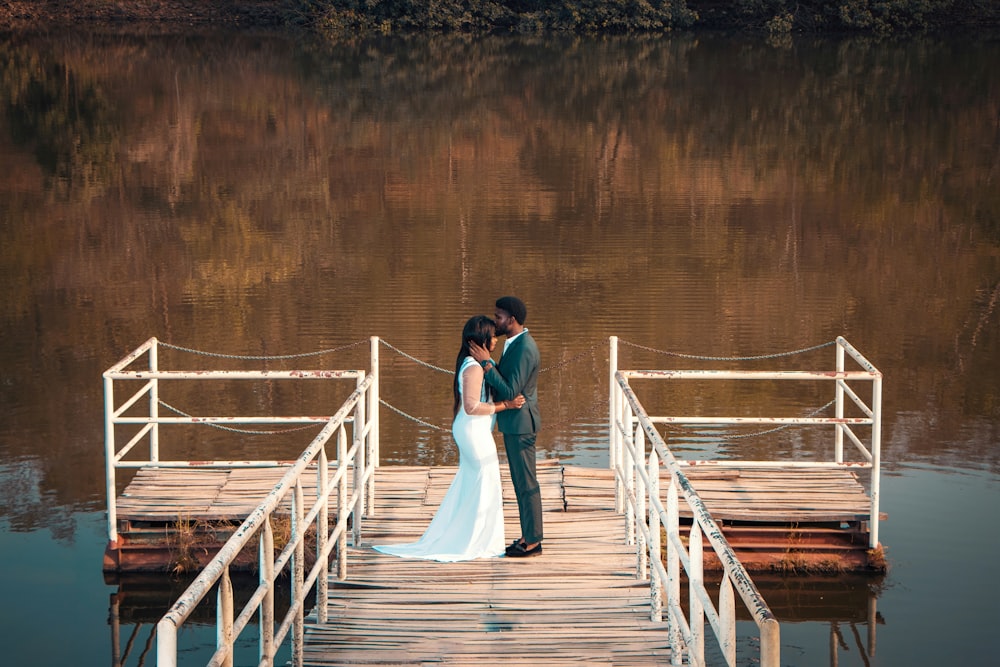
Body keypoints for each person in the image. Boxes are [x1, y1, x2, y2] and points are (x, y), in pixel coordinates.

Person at [373, 315, 525, 562]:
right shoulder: (474, 367)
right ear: (482, 339)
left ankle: (474, 536)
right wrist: (505, 405)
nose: (496, 340)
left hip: (475, 431)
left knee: (476, 483)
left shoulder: (475, 363)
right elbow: (471, 406)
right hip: (473, 431)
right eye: (492, 335)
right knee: (484, 481)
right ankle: (475, 540)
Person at [469, 296, 542, 558]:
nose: (495, 320)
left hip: (522, 424)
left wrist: (487, 364)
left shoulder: (524, 348)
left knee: (526, 483)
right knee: (520, 482)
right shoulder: (514, 343)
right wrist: (492, 364)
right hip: (514, 423)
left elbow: (512, 390)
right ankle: (527, 535)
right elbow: (510, 379)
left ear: (511, 319)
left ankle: (533, 542)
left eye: (498, 316)